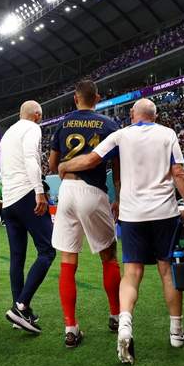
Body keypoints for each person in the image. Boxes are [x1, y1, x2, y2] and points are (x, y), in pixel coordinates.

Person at [58, 98, 184, 365]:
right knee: (167, 272)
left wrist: (65, 166)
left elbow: (91, 160)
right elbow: (179, 172)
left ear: (133, 113)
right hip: (164, 213)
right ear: (155, 115)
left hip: (132, 215)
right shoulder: (168, 134)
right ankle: (176, 332)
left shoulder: (121, 135)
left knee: (132, 273)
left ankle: (124, 327)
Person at [48, 80, 122, 348]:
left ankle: (70, 328)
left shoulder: (63, 123)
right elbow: (118, 167)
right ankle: (115, 316)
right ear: (97, 98)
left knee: (68, 260)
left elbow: (53, 165)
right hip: (93, 192)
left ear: (75, 99)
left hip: (67, 191)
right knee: (108, 255)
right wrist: (119, 198)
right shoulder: (109, 125)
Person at [0, 100, 56, 333]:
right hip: (26, 194)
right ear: (37, 115)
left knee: (17, 258)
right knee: (48, 250)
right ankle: (21, 306)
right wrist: (39, 191)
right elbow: (31, 159)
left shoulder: (7, 134)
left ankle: (18, 313)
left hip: (8, 200)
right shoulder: (32, 128)